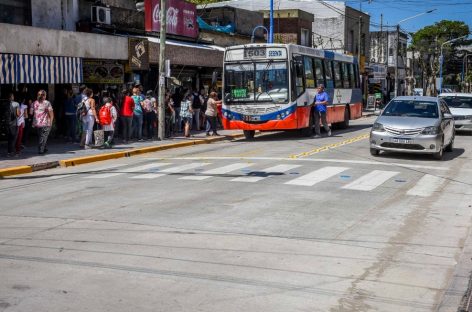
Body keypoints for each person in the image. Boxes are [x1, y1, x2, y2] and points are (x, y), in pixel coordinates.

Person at [32, 90, 54, 154]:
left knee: (41, 136)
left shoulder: (34, 103)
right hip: (45, 123)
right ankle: (41, 150)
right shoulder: (47, 103)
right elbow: (51, 113)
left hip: (37, 123)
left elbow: (31, 113)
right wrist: (51, 122)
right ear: (44, 96)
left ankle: (44, 148)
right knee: (43, 137)